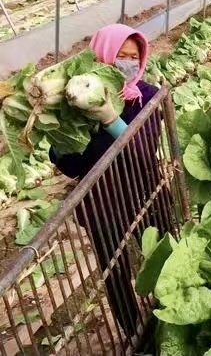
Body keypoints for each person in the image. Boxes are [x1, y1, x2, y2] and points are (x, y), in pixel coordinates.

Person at [49, 24, 163, 337]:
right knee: (115, 269)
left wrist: (111, 118)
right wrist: (60, 143)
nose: (127, 64)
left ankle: (170, 312)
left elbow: (144, 150)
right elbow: (72, 166)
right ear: (100, 58)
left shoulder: (147, 96)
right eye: (119, 56)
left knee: (163, 254)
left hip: (145, 191)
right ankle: (134, 332)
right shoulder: (77, 102)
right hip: (102, 201)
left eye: (134, 57)